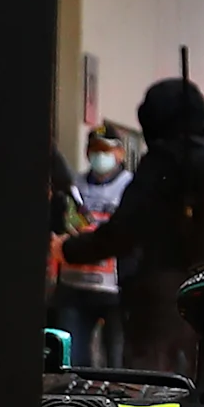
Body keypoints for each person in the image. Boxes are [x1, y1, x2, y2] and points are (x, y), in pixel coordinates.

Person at [59, 77, 204, 373]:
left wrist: (71, 248)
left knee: (152, 385)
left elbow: (126, 229)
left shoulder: (163, 162)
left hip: (164, 297)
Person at [52, 128, 131, 368]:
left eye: (106, 150)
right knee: (72, 361)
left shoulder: (130, 187)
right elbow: (57, 225)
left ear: (119, 152)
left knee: (117, 363)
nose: (100, 156)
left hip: (115, 290)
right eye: (95, 150)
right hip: (74, 285)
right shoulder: (73, 186)